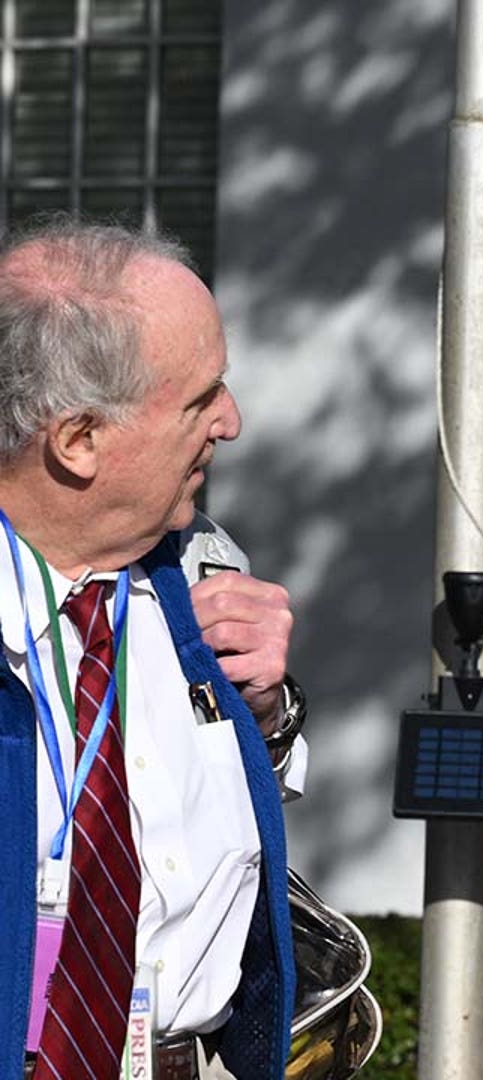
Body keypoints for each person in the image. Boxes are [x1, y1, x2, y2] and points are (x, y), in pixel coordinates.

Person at [0, 221, 308, 1079]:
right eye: (201, 397)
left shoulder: (204, 569)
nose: (232, 421)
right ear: (79, 440)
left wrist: (269, 711)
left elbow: (225, 828)